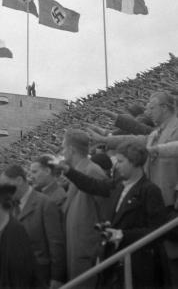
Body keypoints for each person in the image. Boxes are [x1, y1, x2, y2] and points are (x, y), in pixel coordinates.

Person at [88, 91, 178, 286]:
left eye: (151, 107)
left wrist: (156, 150)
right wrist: (106, 140)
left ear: (165, 107)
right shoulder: (155, 133)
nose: (148, 110)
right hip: (157, 205)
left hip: (172, 203)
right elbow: (135, 138)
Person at [55, 140, 167, 289]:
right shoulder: (119, 184)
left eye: (120, 161)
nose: (116, 165)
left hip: (137, 266)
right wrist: (69, 171)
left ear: (134, 162)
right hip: (115, 264)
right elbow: (93, 185)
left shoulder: (150, 191)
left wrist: (122, 235)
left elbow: (158, 231)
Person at [0, 165, 66, 288]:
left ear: (19, 180)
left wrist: (57, 277)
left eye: (6, 185)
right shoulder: (11, 206)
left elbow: (56, 244)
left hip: (39, 277)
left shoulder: (45, 204)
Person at [62, 129, 110, 287]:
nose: (62, 152)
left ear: (71, 150)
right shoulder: (79, 171)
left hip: (87, 251)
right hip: (77, 248)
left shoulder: (92, 171)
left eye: (63, 148)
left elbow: (105, 214)